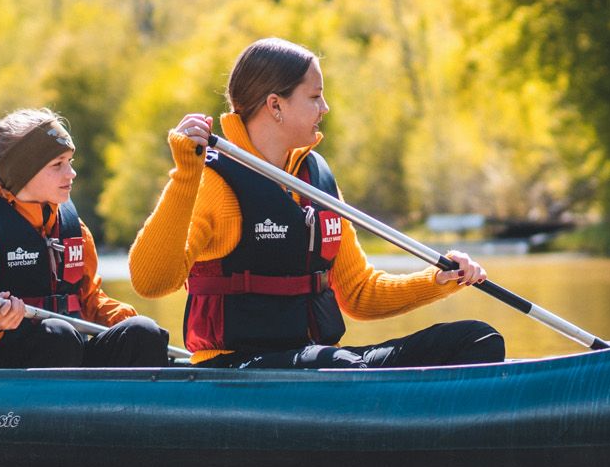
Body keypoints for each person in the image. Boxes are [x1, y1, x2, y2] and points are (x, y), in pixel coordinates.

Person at [128, 37, 505, 369]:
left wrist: (439, 280)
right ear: (275, 105)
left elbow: (360, 294)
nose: (324, 107)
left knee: (477, 340)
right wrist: (185, 175)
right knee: (339, 365)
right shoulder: (213, 183)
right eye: (314, 96)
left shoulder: (314, 178)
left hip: (317, 361)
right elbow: (149, 281)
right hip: (238, 369)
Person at [0, 110, 171, 368]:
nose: (71, 173)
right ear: (23, 172)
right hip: (7, 367)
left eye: (70, 161)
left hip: (67, 352)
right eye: (57, 165)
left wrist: (123, 321)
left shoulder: (74, 229)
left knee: (143, 332)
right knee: (59, 335)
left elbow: (89, 301)